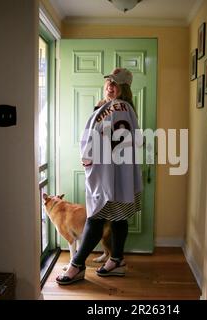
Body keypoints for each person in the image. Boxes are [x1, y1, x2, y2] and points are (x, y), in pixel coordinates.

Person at [56, 68, 143, 285]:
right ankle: (116, 260)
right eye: (108, 82)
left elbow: (102, 139)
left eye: (115, 84)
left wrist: (89, 157)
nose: (110, 86)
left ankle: (76, 265)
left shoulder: (117, 107)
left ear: (124, 88)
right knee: (118, 218)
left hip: (109, 173)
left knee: (95, 219)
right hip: (118, 173)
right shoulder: (122, 107)